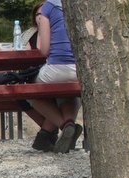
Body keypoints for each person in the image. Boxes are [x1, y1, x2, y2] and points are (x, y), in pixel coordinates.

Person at [28, 0, 83, 153]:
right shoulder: (80, 5)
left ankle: (64, 125)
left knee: (30, 90)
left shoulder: (48, 8)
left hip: (56, 67)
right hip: (80, 70)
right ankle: (69, 122)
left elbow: (44, 50)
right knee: (69, 93)